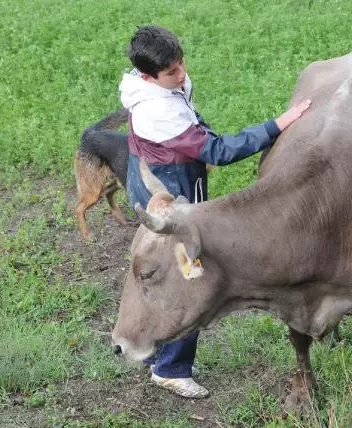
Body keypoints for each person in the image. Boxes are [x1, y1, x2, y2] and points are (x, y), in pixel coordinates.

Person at [119, 24, 310, 399]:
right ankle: (170, 368)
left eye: (181, 64)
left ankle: (147, 343)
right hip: (170, 196)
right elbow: (218, 152)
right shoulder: (158, 110)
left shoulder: (147, 88)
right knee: (189, 276)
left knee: (155, 271)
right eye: (172, 72)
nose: (181, 73)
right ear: (147, 76)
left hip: (151, 185)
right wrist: (278, 125)